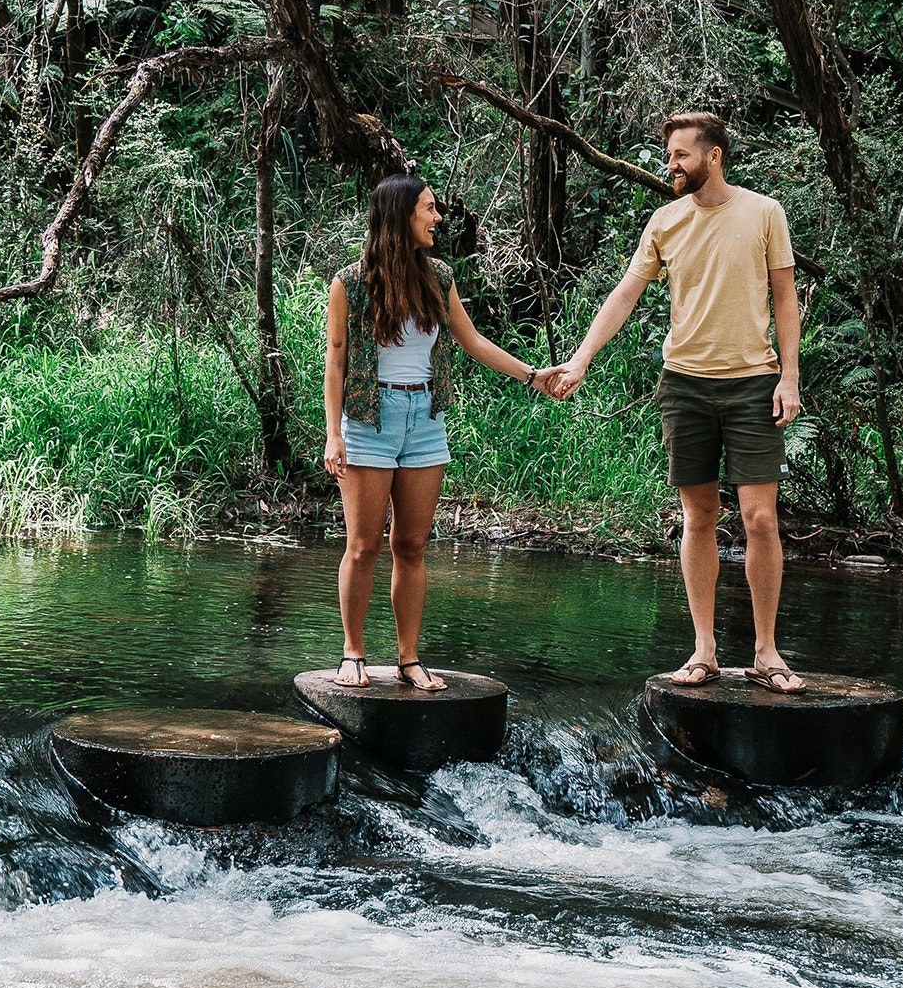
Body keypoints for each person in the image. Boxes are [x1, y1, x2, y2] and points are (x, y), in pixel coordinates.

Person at [546, 113, 807, 693]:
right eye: (669, 154)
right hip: (684, 385)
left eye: (681, 155)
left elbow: (786, 300)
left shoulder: (764, 213)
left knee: (760, 520)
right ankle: (704, 650)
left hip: (752, 383)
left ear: (714, 156)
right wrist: (582, 359)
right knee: (699, 517)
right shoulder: (664, 222)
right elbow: (624, 297)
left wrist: (789, 376)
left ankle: (767, 652)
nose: (671, 165)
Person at [324, 174, 559, 692]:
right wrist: (333, 435)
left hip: (426, 419)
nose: (437, 218)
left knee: (410, 544)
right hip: (369, 419)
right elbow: (336, 361)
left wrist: (532, 376)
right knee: (363, 546)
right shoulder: (351, 282)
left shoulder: (440, 276)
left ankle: (409, 659)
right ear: (401, 214)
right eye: (429, 209)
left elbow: (471, 339)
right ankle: (353, 653)